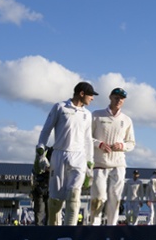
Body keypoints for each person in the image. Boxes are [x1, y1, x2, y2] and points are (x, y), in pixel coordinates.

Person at [36, 82, 97, 226]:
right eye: (90, 95)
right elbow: (46, 130)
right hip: (59, 155)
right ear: (81, 94)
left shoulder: (87, 114)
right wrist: (41, 152)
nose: (92, 99)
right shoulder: (60, 107)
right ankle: (54, 233)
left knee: (74, 196)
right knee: (56, 200)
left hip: (79, 157)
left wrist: (90, 162)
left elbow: (88, 139)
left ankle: (71, 233)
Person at [90, 87, 135, 226]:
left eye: (121, 98)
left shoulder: (126, 120)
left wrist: (122, 146)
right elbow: (86, 137)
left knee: (115, 198)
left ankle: (112, 228)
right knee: (98, 198)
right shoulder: (97, 115)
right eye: (116, 97)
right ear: (110, 97)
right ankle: (94, 227)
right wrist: (100, 144)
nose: (118, 100)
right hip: (99, 163)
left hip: (118, 164)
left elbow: (131, 143)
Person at [31, 146, 53, 226]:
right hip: (41, 189)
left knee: (44, 214)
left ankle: (42, 232)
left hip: (45, 189)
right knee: (43, 213)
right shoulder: (40, 161)